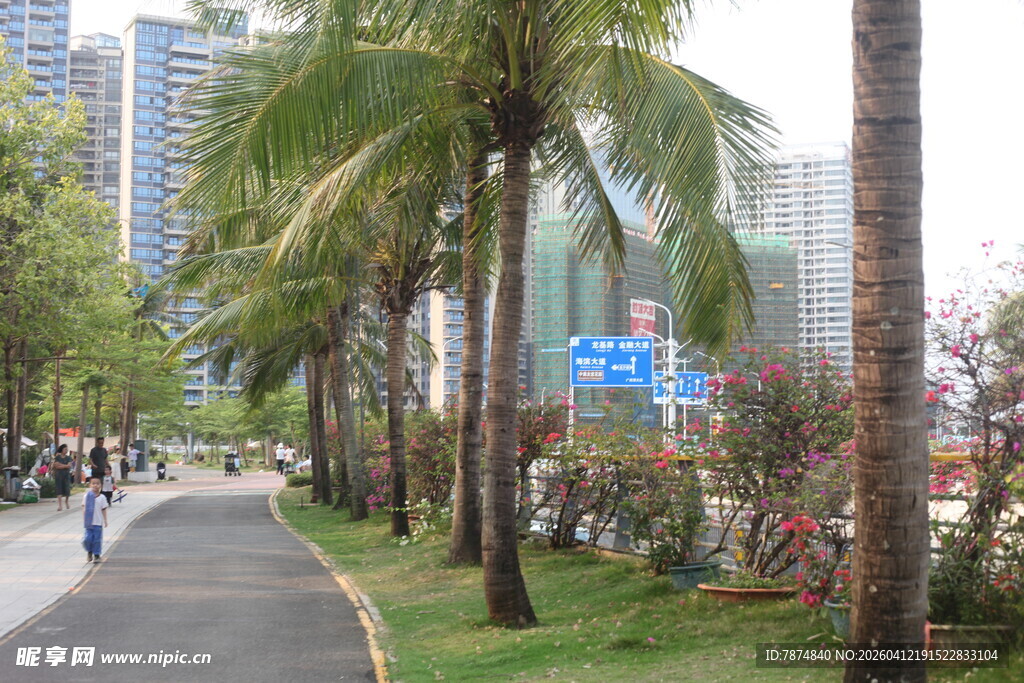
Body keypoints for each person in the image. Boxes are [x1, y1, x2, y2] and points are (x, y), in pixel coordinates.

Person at [82, 475, 109, 563]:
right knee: (87, 539)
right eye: (93, 483)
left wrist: (105, 520)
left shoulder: (102, 497)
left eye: (97, 483)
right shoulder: (87, 496)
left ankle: (96, 555)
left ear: (100, 485)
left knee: (97, 539)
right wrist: (84, 518)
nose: (95, 485)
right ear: (90, 485)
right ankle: (89, 551)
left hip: (98, 522)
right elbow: (84, 508)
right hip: (89, 523)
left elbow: (104, 509)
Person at [52, 444, 73, 511]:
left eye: (67, 449)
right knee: (59, 490)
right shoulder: (57, 457)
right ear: (62, 450)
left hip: (66, 475)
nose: (66, 450)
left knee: (67, 489)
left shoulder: (68, 457)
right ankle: (60, 505)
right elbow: (56, 466)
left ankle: (66, 501)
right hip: (59, 476)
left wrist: (60, 465)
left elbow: (69, 466)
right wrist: (65, 466)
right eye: (65, 449)